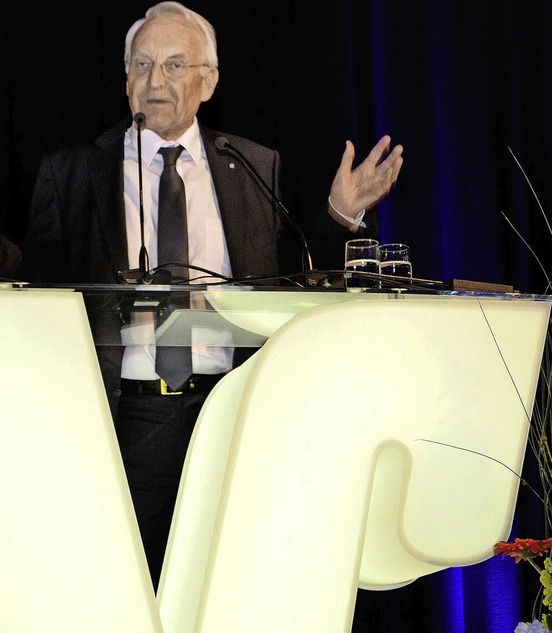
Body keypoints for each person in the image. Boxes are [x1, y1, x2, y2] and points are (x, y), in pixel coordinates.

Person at [17, 0, 403, 590]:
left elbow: (288, 284)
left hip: (233, 411)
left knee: (229, 586)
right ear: (124, 79)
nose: (154, 82)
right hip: (125, 419)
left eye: (175, 66)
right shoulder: (71, 174)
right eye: (141, 66)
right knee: (129, 590)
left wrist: (338, 215)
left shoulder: (250, 165)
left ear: (209, 79)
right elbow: (35, 300)